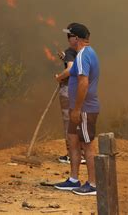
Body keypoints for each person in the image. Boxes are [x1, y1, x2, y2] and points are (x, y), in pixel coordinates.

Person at [54, 23, 100, 196]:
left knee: (87, 145)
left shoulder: (83, 56)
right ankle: (74, 179)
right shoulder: (83, 55)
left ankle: (93, 184)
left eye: (69, 36)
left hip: (85, 109)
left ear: (77, 39)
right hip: (78, 108)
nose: (68, 39)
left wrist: (77, 109)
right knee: (73, 141)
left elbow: (83, 82)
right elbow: (71, 72)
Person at [54, 23, 78, 164]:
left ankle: (71, 154)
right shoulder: (84, 52)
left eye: (69, 36)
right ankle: (80, 153)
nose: (68, 39)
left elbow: (70, 70)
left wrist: (59, 77)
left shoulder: (70, 51)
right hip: (81, 90)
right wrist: (65, 58)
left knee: (69, 122)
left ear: (74, 38)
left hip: (68, 90)